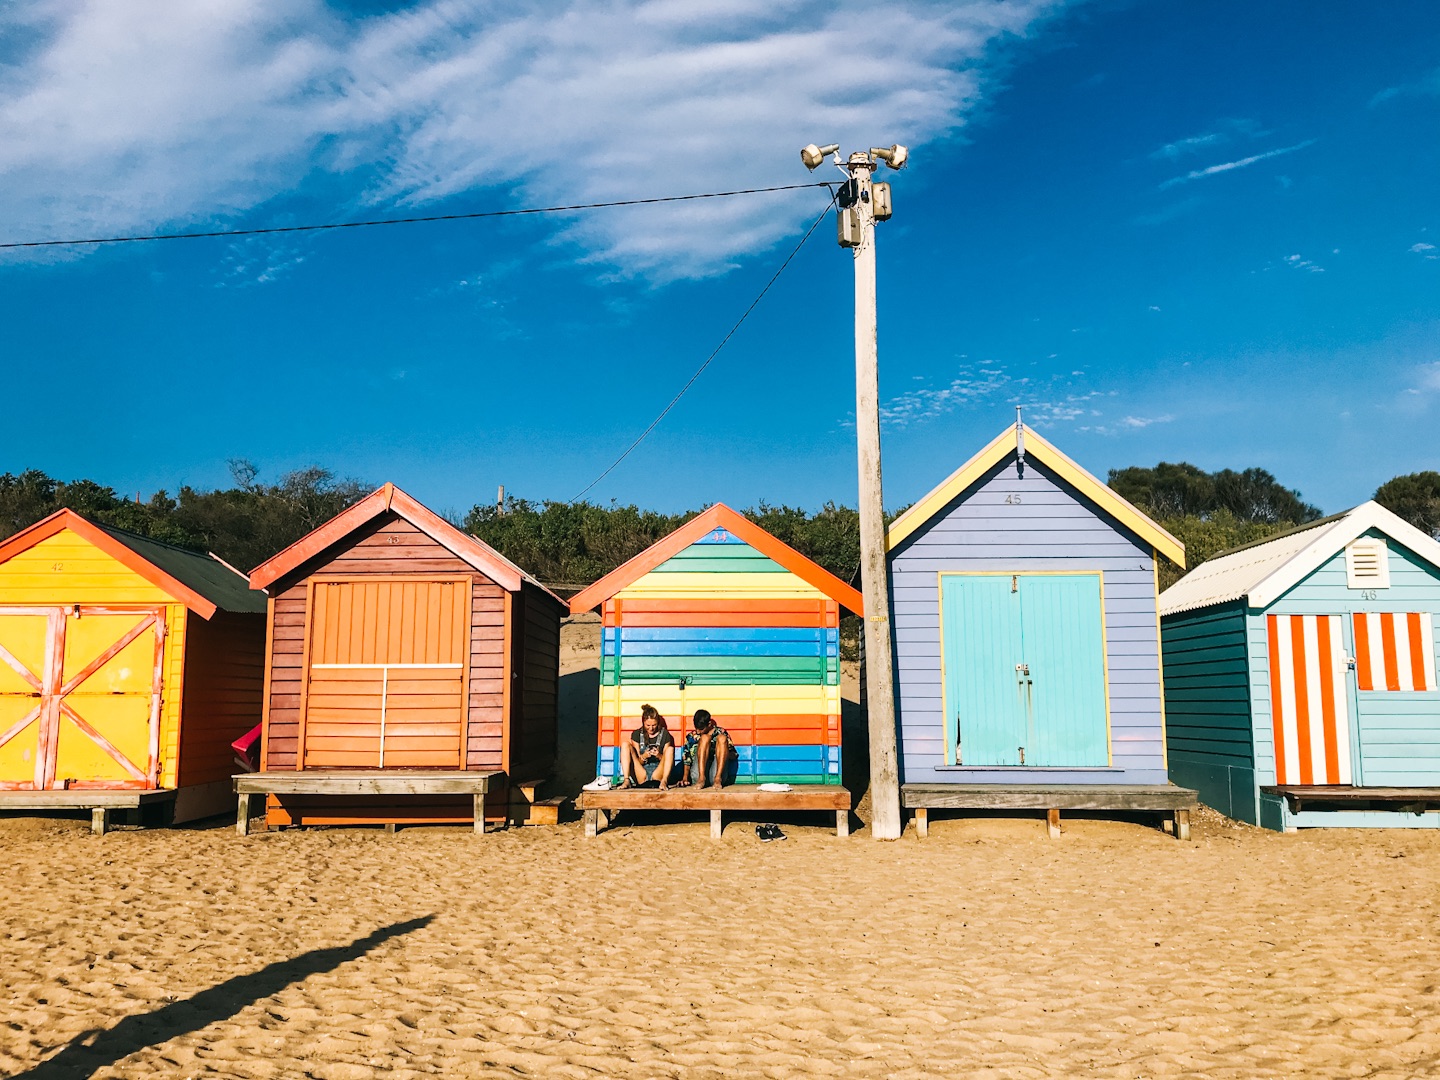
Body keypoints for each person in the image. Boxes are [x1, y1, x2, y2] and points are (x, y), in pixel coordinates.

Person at [620, 704, 675, 789]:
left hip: (658, 773)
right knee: (625, 745)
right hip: (641, 773)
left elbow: (667, 759)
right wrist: (643, 757)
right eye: (648, 725)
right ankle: (626, 780)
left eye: (654, 725)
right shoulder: (636, 734)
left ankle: (664, 781)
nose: (651, 728)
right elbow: (637, 761)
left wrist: (659, 755)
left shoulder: (665, 734)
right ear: (643, 723)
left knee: (670, 749)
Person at [679, 709, 735, 789]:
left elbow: (733, 755)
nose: (698, 732)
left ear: (709, 724)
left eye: (701, 729)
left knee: (722, 738)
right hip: (697, 775)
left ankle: (718, 778)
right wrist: (685, 778)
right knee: (705, 738)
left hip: (717, 775)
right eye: (696, 728)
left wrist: (721, 750)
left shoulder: (721, 732)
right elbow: (687, 760)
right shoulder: (691, 736)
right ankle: (702, 778)